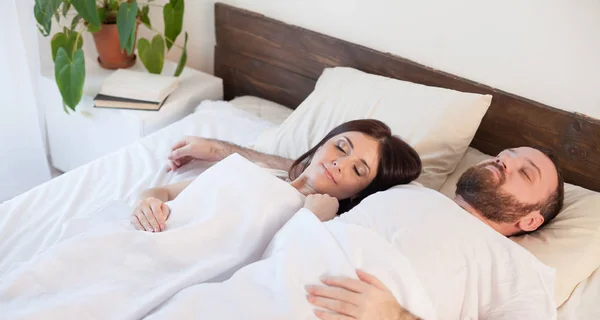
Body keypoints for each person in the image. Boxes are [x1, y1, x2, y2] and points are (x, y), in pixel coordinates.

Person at [169, 139, 565, 320]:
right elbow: (320, 170)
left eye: (524, 172)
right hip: (254, 291)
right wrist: (225, 150)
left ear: (531, 221)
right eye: (504, 156)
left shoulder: (521, 270)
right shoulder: (410, 189)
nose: (504, 163)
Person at [132, 119, 421, 232]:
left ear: (360, 192)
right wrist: (146, 203)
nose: (340, 164)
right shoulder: (259, 170)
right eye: (340, 147)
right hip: (151, 233)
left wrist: (312, 219)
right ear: (321, 146)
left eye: (358, 170)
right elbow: (164, 192)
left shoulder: (326, 223)